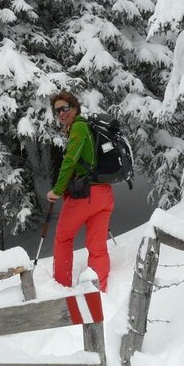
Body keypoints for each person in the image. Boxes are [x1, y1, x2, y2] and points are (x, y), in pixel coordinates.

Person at [46, 91, 115, 292]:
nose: (61, 113)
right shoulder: (86, 127)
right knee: (97, 247)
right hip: (103, 194)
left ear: (75, 108)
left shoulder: (78, 127)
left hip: (85, 196)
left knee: (63, 239)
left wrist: (57, 191)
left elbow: (70, 161)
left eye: (65, 108)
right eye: (57, 110)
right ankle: (99, 291)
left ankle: (61, 287)